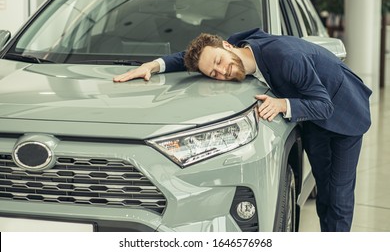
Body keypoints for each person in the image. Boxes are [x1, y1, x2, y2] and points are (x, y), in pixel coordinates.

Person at [113, 28, 372, 232]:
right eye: (212, 72)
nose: (220, 72)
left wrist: (283, 103)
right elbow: (192, 57)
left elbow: (324, 105)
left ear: (227, 46)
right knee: (324, 194)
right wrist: (153, 65)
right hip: (311, 110)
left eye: (219, 62)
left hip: (343, 110)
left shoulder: (286, 58)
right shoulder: (238, 46)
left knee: (337, 197)